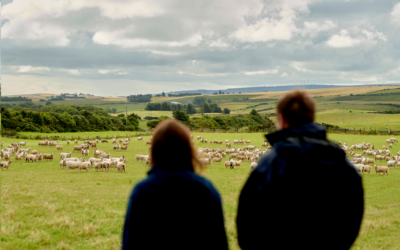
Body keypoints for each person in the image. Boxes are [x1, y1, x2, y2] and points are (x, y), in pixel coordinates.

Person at [236, 90, 364, 250]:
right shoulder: (342, 164)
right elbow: (352, 219)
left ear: (281, 120)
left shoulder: (267, 166)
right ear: (311, 118)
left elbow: (246, 226)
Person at [122, 119, 228, 250]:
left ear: (155, 151)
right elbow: (219, 243)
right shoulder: (206, 189)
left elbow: (130, 244)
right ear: (188, 149)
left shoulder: (143, 191)